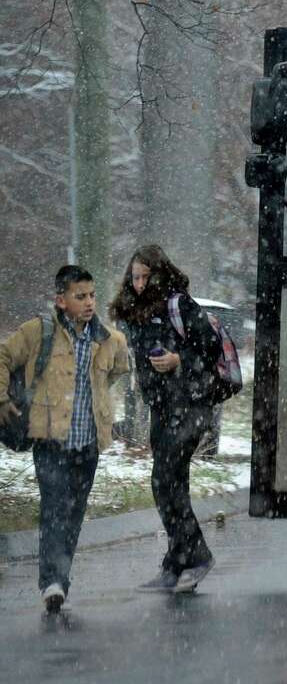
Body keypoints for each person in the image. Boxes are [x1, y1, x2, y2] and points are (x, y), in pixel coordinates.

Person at [0, 265, 129, 614]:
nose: (89, 303)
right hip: (50, 441)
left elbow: (119, 369)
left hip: (88, 445)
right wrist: (3, 398)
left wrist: (98, 401)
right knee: (54, 508)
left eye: (92, 295)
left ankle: (60, 578)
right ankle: (52, 582)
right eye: (80, 296)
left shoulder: (109, 339)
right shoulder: (37, 333)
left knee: (73, 513)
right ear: (61, 300)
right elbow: (3, 356)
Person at [109, 245, 220, 594]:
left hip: (189, 406)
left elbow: (210, 347)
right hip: (162, 409)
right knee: (172, 483)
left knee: (164, 482)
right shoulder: (136, 311)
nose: (139, 283)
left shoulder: (178, 304)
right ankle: (175, 564)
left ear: (160, 274)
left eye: (145, 276)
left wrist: (178, 359)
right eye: (135, 277)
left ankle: (198, 555)